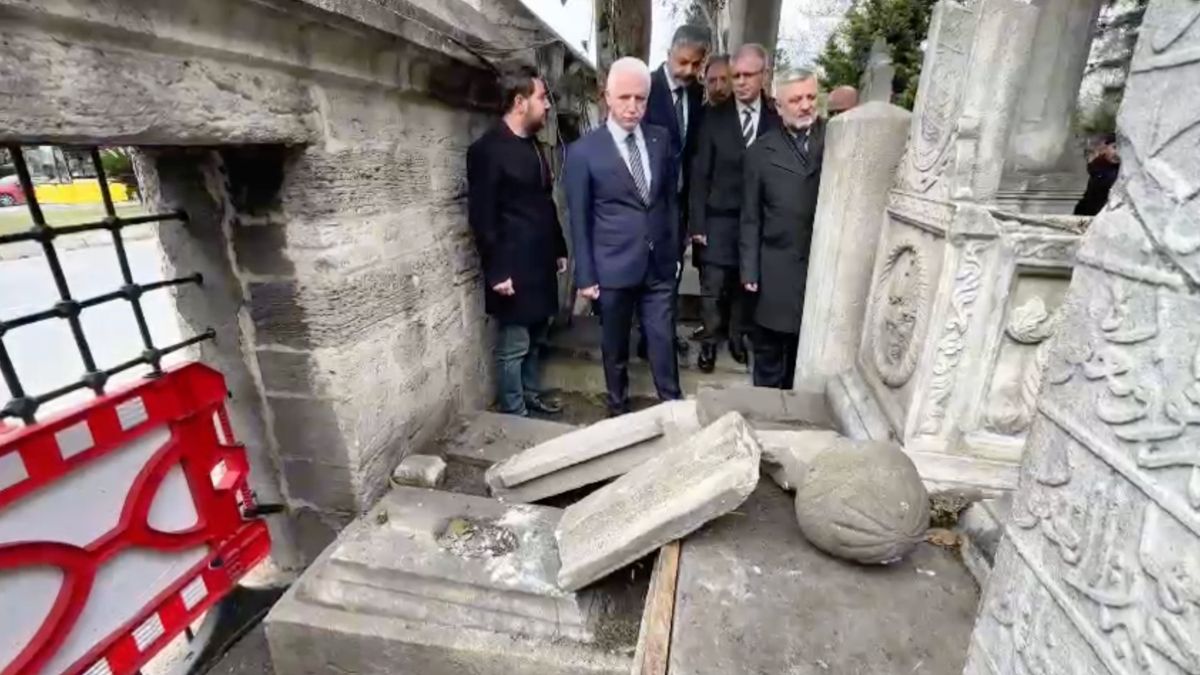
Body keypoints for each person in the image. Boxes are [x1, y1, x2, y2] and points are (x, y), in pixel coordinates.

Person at [565, 57, 683, 415]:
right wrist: (585, 275)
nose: (633, 107)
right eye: (625, 98)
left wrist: (674, 251)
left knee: (662, 338)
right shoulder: (584, 151)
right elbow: (579, 217)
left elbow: (667, 202)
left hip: (658, 264)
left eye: (641, 99)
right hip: (612, 267)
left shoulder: (660, 140)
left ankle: (673, 408)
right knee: (615, 346)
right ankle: (618, 409)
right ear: (607, 98)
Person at [467, 66, 567, 417]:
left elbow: (544, 201)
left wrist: (559, 247)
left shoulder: (536, 147)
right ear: (520, 101)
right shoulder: (487, 150)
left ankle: (529, 395)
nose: (549, 106)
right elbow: (483, 216)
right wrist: (497, 271)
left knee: (538, 337)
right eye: (542, 98)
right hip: (511, 268)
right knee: (514, 345)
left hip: (539, 263)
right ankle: (515, 413)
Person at [689, 43, 781, 373]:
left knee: (746, 286)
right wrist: (697, 224)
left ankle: (737, 337)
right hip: (718, 219)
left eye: (747, 75)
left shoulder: (775, 118)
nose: (740, 82)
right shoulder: (714, 118)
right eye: (736, 75)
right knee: (712, 288)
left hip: (756, 222)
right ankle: (709, 342)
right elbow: (700, 174)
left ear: (764, 76)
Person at [740, 69, 827, 389]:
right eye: (796, 99)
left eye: (810, 97)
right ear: (778, 106)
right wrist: (749, 271)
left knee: (804, 363)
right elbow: (750, 216)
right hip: (775, 270)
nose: (805, 105)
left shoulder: (834, 139)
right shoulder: (760, 153)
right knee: (770, 358)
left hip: (819, 270)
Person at [642, 24, 710, 360]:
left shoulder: (696, 94)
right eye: (683, 62)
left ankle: (664, 335)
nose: (688, 71)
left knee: (671, 273)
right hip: (648, 203)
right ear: (669, 53)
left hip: (678, 206)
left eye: (696, 65)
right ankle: (645, 337)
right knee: (646, 273)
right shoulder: (646, 89)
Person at [1073, 132, 1120, 216]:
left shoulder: (1121, 171)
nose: (1117, 153)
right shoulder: (1097, 169)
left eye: (1121, 149)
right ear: (1105, 148)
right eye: (1114, 147)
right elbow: (1089, 199)